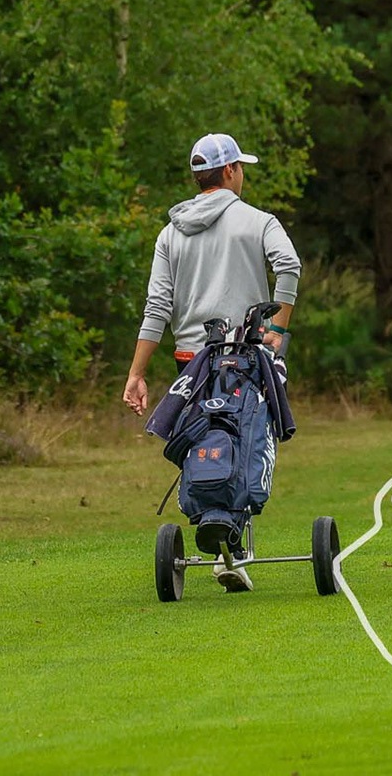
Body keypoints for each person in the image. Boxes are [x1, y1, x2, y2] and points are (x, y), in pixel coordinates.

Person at [122, 132, 301, 592]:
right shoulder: (258, 221)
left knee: (204, 445)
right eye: (240, 167)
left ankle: (224, 539)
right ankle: (234, 545)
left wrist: (137, 373)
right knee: (247, 439)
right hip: (249, 357)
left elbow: (157, 307)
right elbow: (290, 266)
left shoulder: (170, 231)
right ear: (228, 172)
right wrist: (277, 329)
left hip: (193, 363)